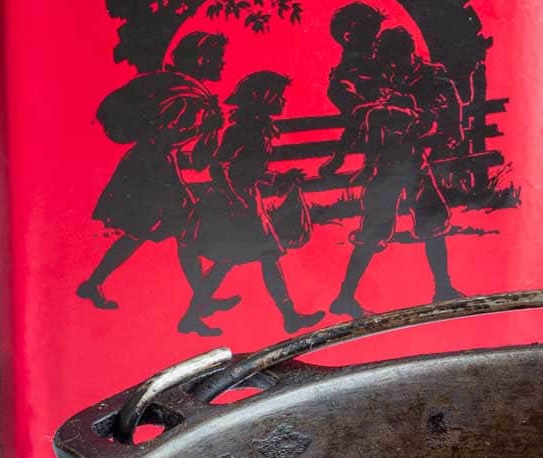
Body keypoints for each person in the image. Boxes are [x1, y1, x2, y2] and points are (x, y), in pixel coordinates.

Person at [78, 31, 229, 310]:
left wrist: (210, 131)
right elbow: (161, 138)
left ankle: (94, 283)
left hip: (154, 168)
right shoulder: (185, 96)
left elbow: (198, 160)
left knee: (155, 231)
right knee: (175, 229)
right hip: (153, 170)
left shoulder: (192, 92)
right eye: (218, 59)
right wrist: (204, 128)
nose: (222, 64)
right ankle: (202, 297)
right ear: (201, 59)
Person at [330, 27, 464, 317]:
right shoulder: (383, 78)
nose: (390, 67)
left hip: (415, 160)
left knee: (433, 219)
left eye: (394, 59)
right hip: (386, 164)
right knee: (374, 229)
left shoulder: (432, 76)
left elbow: (450, 103)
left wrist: (451, 128)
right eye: (387, 61)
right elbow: (360, 106)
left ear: (408, 52)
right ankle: (344, 297)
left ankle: (442, 289)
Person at [181, 70, 321, 336]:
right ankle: (190, 317)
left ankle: (289, 316)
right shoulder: (243, 130)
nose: (283, 101)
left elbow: (248, 169)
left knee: (263, 258)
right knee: (230, 261)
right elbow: (218, 167)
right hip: (231, 204)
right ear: (263, 98)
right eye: (278, 96)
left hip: (246, 201)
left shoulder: (258, 129)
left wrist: (282, 178)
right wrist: (236, 200)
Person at [319, 2, 386, 179]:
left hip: (372, 106)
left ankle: (340, 157)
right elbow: (345, 81)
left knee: (363, 112)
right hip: (355, 96)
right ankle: (340, 157)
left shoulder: (376, 52)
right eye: (369, 34)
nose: (374, 39)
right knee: (360, 111)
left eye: (375, 33)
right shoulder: (351, 60)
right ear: (349, 35)